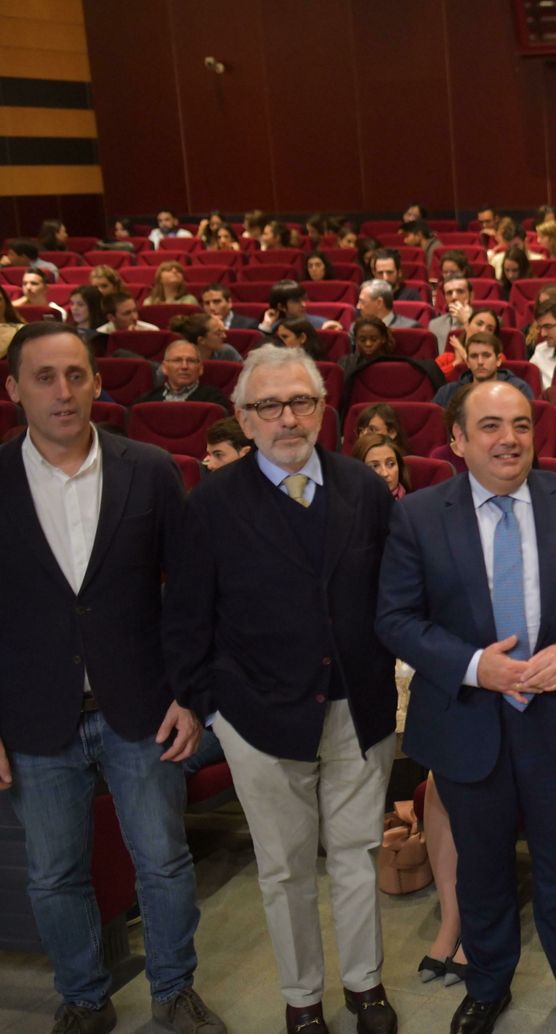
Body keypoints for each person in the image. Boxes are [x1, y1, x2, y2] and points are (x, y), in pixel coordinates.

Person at [374, 379, 556, 1034]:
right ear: (458, 439)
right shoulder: (417, 516)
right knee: (484, 872)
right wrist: (474, 667)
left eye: (520, 424)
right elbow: (395, 618)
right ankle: (487, 984)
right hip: (468, 724)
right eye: (489, 426)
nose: (508, 439)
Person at [165, 346, 402, 1034]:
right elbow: (187, 617)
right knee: (284, 867)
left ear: (324, 408)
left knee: (358, 854)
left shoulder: (363, 488)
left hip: (358, 706)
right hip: (257, 715)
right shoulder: (209, 502)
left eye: (300, 402)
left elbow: (392, 595)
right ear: (243, 417)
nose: (286, 418)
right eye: (268, 406)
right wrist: (212, 705)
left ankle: (365, 985)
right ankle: (302, 999)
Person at [0, 323, 226, 1034]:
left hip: (143, 706)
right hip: (34, 715)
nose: (62, 392)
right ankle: (85, 998)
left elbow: (191, 594)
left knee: (161, 861)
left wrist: (191, 697)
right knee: (55, 874)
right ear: (13, 390)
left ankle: (173, 991)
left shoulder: (151, 469)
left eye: (76, 375)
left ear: (99, 382)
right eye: (44, 377)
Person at [435, 331, 534, 411]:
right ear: (468, 362)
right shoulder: (447, 392)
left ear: (498, 360)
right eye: (474, 356)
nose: (480, 362)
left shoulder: (518, 389)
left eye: (486, 355)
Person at [133, 339, 232, 411]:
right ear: (164, 368)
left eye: (191, 361)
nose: (184, 366)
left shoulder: (215, 401)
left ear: (200, 368)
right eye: (177, 360)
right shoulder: (146, 401)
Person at [354, 431, 410, 499]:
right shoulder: (349, 506)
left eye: (391, 464)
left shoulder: (412, 503)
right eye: (374, 466)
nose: (384, 473)